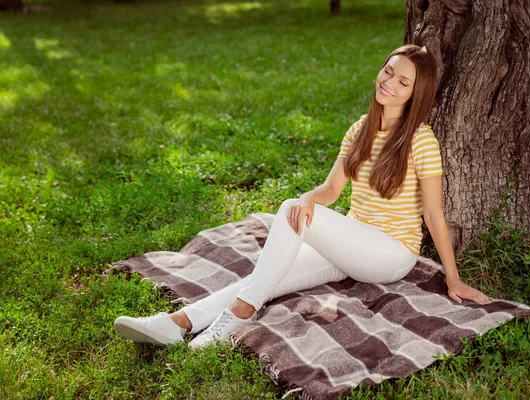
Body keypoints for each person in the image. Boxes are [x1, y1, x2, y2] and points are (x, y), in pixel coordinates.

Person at [113, 44, 493, 350]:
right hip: (351, 243)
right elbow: (330, 191)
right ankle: (177, 324)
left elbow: (433, 214)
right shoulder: (361, 129)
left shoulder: (421, 141)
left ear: (416, 93)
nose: (389, 83)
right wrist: (311, 197)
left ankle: (240, 315)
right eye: (388, 71)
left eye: (403, 81)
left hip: (391, 255)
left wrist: (453, 278)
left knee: (291, 211)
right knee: (268, 276)